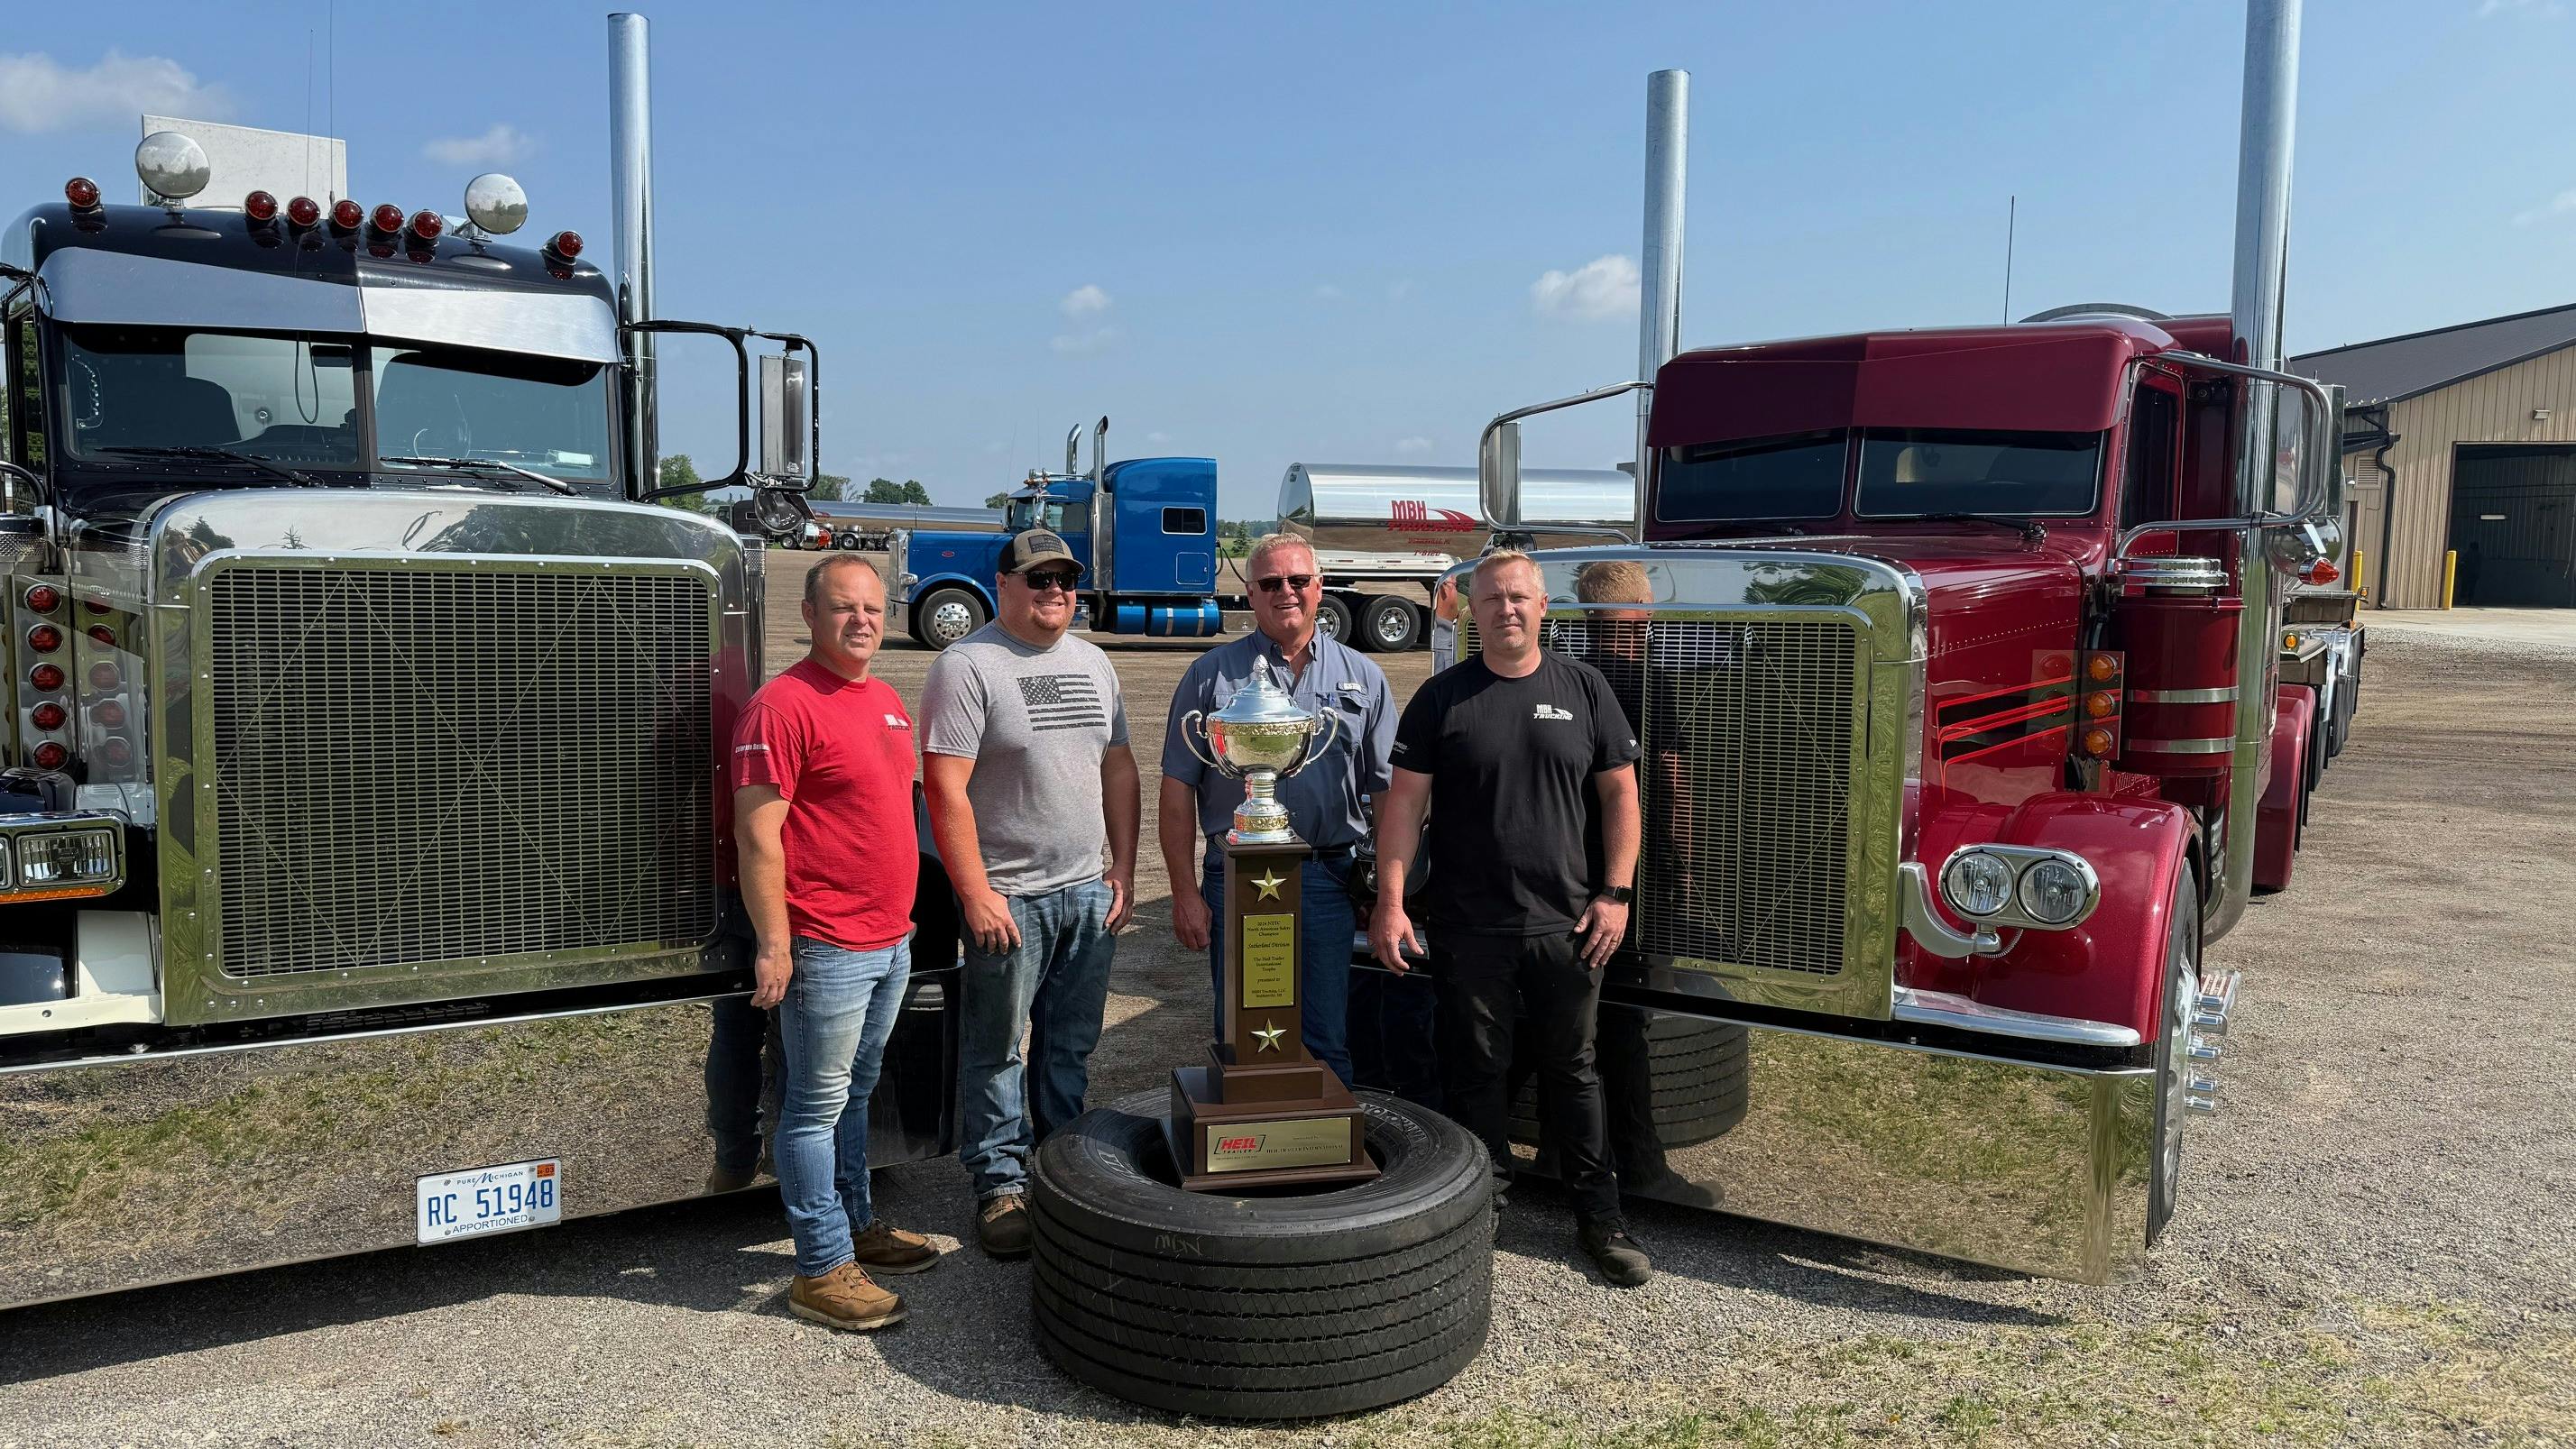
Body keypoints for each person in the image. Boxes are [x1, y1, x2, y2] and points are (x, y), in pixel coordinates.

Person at [1368, 550, 1652, 1287]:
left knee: (1576, 1069)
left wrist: (1615, 894)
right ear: (1472, 609)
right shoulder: (1441, 698)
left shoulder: (1585, 689)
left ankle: (1602, 1218)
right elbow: (1403, 806)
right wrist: (1391, 901)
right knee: (1476, 1072)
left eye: (1520, 597)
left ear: (1544, 606)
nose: (1507, 609)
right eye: (1492, 598)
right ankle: (1483, 1209)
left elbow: (1623, 796)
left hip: (1569, 925)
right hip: (1469, 925)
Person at [731, 554, 939, 1333]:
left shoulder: (885, 699)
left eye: (873, 609)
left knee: (856, 1092)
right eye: (844, 607)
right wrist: (775, 943)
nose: (861, 620)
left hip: (889, 940)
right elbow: (759, 839)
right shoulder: (780, 706)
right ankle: (820, 1266)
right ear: (811, 616)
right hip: (826, 943)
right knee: (814, 1108)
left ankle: (856, 1226)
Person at [922, 529, 1139, 1259]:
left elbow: (1118, 767)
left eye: (1066, 579)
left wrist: (1124, 869)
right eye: (1038, 578)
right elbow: (944, 787)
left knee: (1070, 1045)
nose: (1055, 591)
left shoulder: (1094, 660)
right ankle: (999, 1183)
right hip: (1009, 896)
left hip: (1087, 892)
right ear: (1004, 583)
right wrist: (975, 891)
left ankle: (1064, 1163)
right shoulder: (967, 664)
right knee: (997, 1049)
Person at [1159, 533, 1394, 1087]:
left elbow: (1388, 794)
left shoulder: (1364, 676)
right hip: (1236, 876)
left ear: (1319, 587)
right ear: (1249, 592)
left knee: (1323, 1033)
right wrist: (1185, 893)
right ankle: (1251, 1148)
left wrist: (1385, 892)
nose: (1284, 592)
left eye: (1297, 581)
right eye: (1269, 583)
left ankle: (1324, 1154)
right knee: (1246, 1031)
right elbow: (1177, 791)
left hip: (1328, 876)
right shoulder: (1210, 676)